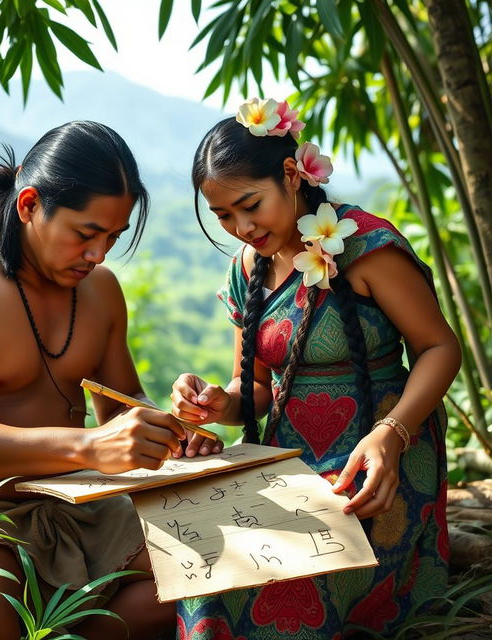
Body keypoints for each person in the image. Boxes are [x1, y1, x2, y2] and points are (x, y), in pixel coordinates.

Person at [0, 121, 220, 640]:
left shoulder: (102, 292)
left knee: (204, 578)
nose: (99, 255)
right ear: (29, 204)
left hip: (77, 503)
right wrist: (87, 448)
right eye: (85, 234)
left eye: (112, 237)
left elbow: (121, 407)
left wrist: (173, 429)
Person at [170, 98, 461, 639]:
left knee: (287, 577)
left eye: (249, 205)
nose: (240, 227)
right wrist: (218, 402)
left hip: (375, 460)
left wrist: (390, 435)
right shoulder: (247, 269)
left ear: (290, 174)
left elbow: (440, 348)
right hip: (287, 459)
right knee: (210, 571)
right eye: (224, 216)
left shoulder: (366, 249)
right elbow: (254, 386)